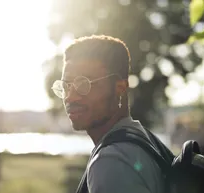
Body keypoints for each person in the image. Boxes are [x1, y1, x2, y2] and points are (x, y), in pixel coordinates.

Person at [51, 35, 164, 193]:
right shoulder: (147, 141)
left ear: (120, 87)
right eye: (66, 86)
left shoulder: (111, 162)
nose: (70, 97)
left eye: (84, 84)